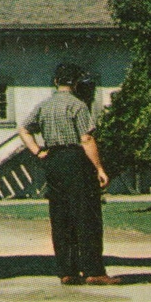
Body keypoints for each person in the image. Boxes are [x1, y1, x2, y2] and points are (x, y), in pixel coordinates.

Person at [17, 63, 120, 285]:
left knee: (61, 216)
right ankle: (93, 270)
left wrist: (37, 151)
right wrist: (100, 168)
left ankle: (67, 270)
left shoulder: (43, 106)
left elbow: (24, 128)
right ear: (75, 83)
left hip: (53, 160)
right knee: (86, 216)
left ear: (56, 82)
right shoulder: (78, 106)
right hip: (76, 159)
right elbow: (87, 138)